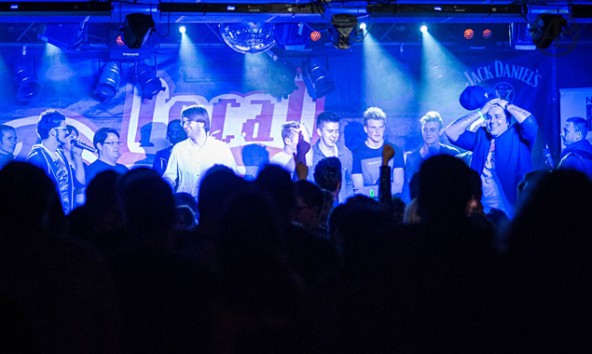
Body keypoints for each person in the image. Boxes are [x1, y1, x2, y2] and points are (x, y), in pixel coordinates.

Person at [445, 98, 538, 218]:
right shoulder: (481, 137)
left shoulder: (518, 136)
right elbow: (450, 132)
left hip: (513, 210)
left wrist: (505, 104)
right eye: (489, 117)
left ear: (507, 122)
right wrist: (481, 112)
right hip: (482, 210)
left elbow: (530, 122)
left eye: (497, 116)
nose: (492, 121)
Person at [163, 104, 236, 199]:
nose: (185, 126)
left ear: (202, 123)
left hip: (212, 203)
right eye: (183, 122)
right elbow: (170, 176)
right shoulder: (179, 149)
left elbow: (233, 177)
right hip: (186, 204)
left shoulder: (221, 148)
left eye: (189, 122)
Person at [26, 109, 85, 214]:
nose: (67, 133)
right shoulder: (37, 158)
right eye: (64, 129)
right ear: (53, 132)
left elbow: (79, 183)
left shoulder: (60, 154)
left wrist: (77, 155)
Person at [404, 111, 461, 201]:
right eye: (425, 129)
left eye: (432, 130)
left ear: (440, 131)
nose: (428, 133)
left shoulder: (452, 153)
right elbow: (409, 187)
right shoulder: (411, 157)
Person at [351, 106, 404, 197]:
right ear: (366, 129)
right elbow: (359, 190)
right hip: (368, 208)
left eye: (380, 127)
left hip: (390, 207)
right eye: (373, 127)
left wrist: (370, 191)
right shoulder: (356, 154)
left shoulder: (396, 151)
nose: (377, 131)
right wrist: (375, 194)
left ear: (384, 128)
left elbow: (398, 187)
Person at [309, 112, 354, 203]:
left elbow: (349, 182)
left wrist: (348, 205)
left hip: (342, 210)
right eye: (330, 131)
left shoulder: (346, 154)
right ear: (319, 132)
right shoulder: (310, 155)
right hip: (319, 211)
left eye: (336, 131)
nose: (334, 135)